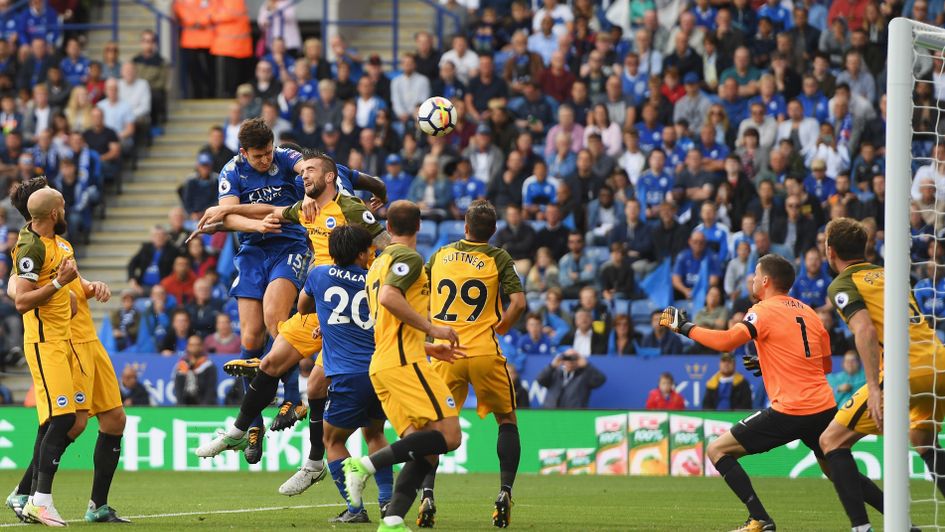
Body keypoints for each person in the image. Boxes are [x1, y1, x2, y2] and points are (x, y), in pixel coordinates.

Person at [659, 253, 876, 532]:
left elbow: (727, 341)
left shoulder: (762, 310)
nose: (751, 278)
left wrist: (684, 327)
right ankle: (902, 522)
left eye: (755, 273)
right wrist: (770, 362)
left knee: (717, 449)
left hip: (790, 410)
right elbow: (823, 366)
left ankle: (760, 519)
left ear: (765, 280)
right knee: (838, 472)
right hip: (823, 408)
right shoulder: (809, 312)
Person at [327, 201, 464, 532]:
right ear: (419, 226)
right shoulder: (408, 257)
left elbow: (386, 323)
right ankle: (364, 465)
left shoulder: (376, 263)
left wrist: (426, 345)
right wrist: (433, 329)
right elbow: (389, 298)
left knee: (425, 450)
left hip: (385, 363)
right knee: (450, 436)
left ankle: (392, 520)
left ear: (388, 226)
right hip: (404, 364)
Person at [7, 181, 129, 524]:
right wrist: (58, 286)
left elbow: (75, 285)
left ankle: (96, 506)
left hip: (88, 339)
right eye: (60, 202)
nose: (66, 208)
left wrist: (91, 287)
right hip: (63, 342)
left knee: (114, 419)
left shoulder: (61, 244)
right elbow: (19, 290)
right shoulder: (29, 247)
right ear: (50, 211)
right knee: (68, 423)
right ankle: (28, 494)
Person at [819, 218, 945, 531]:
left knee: (831, 441)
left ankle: (861, 528)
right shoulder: (891, 274)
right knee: (923, 439)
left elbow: (864, 329)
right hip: (938, 364)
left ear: (830, 251)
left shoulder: (843, 283)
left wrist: (874, 388)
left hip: (905, 371)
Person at [419, 199, 526, 527]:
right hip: (482, 352)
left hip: (444, 354)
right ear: (493, 231)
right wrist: (502, 326)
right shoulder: (498, 257)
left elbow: (419, 292)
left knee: (434, 426)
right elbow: (519, 303)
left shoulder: (440, 254)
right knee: (506, 420)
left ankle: (426, 495)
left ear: (465, 227)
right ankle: (505, 492)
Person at [536, 349, 606, 408]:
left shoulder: (585, 375)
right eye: (567, 358)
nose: (570, 361)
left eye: (573, 358)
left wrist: (587, 366)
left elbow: (600, 380)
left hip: (573, 415)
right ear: (563, 360)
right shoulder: (554, 373)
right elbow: (540, 380)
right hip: (550, 413)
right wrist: (551, 366)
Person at [173, 335, 218, 405]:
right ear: (187, 347)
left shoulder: (209, 366)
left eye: (197, 345)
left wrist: (204, 408)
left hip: (204, 405)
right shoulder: (182, 365)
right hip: (185, 405)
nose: (194, 347)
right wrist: (181, 407)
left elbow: (210, 390)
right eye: (191, 345)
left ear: (201, 346)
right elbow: (178, 389)